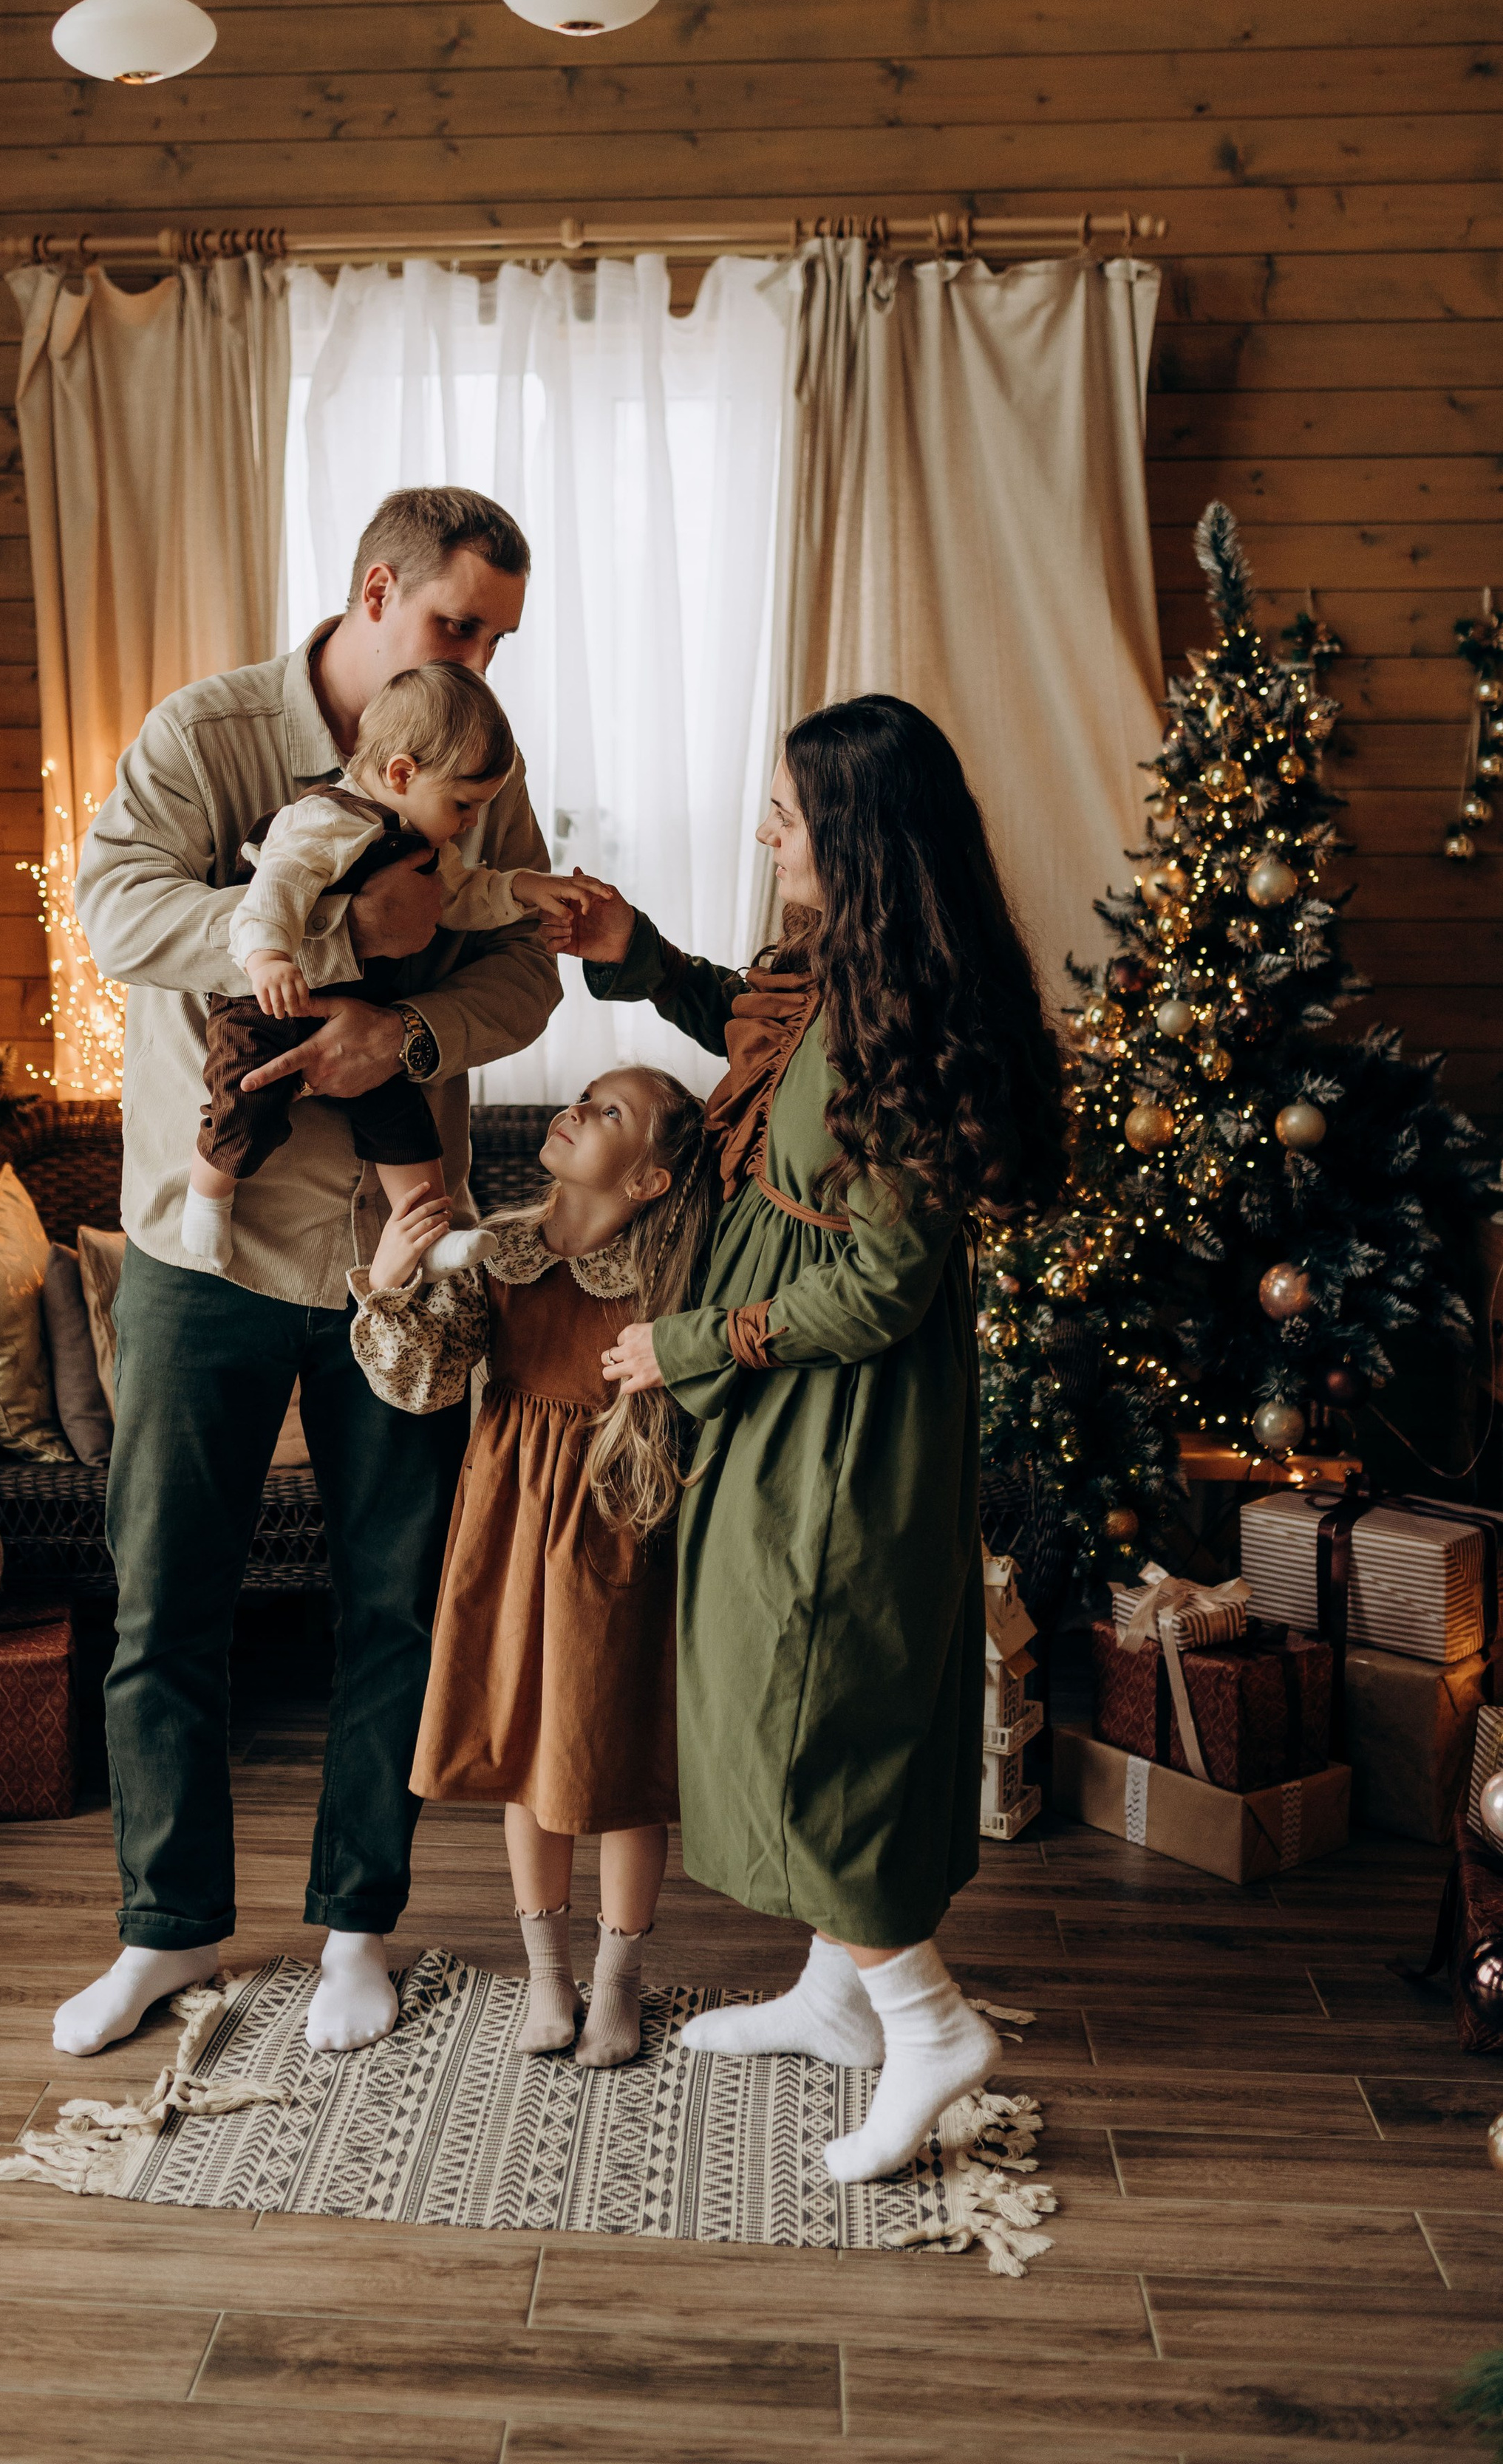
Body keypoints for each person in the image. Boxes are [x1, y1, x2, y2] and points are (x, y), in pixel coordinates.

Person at [53, 486, 560, 2062]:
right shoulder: (206, 734)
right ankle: (166, 1929)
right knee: (164, 1602)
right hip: (201, 1251)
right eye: (458, 623)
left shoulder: (482, 756)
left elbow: (523, 973)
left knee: (393, 1600)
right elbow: (112, 905)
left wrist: (393, 1032)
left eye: (498, 636)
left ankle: (360, 1926)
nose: (481, 657)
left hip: (396, 1266)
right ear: (372, 589)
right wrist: (327, 929)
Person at [572, 695, 1066, 2179]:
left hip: (838, 1428)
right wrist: (634, 952)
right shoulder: (841, 981)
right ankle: (835, 2000)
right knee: (792, 1688)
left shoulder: (905, 1022)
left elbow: (879, 1281)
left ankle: (925, 2021)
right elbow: (757, 1031)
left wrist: (684, 1343)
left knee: (803, 1718)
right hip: (789, 1416)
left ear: (854, 839)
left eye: (785, 814)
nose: (763, 831)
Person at [348, 1070, 718, 2068]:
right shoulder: (498, 1252)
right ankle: (547, 1977)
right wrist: (390, 1279)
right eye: (586, 1096)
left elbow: (715, 1388)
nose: (578, 1110)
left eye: (612, 1114)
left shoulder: (673, 1273)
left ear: (648, 1180)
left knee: (612, 1751)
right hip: (508, 1515)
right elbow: (423, 1378)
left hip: (615, 1516)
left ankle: (617, 1983)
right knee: (525, 1741)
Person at [184, 663, 602, 1272]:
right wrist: (269, 957)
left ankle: (429, 1235)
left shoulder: (421, 841)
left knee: (402, 1117)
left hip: (364, 1009)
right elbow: (271, 892)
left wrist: (526, 887)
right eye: (462, 805)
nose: (469, 824)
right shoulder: (322, 819)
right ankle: (208, 1198)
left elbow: (465, 896)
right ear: (401, 773)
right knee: (246, 1095)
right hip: (270, 1001)